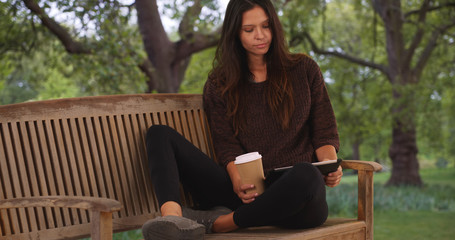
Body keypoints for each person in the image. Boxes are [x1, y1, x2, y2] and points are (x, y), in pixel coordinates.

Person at [142, 0, 342, 239]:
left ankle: (220, 224)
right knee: (159, 133)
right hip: (246, 194)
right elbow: (226, 146)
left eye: (266, 26)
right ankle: (174, 221)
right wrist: (237, 181)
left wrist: (330, 166)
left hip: (297, 200)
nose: (260, 35)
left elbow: (324, 133)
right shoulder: (219, 84)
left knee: (307, 174)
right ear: (235, 34)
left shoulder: (305, 69)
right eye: (249, 30)